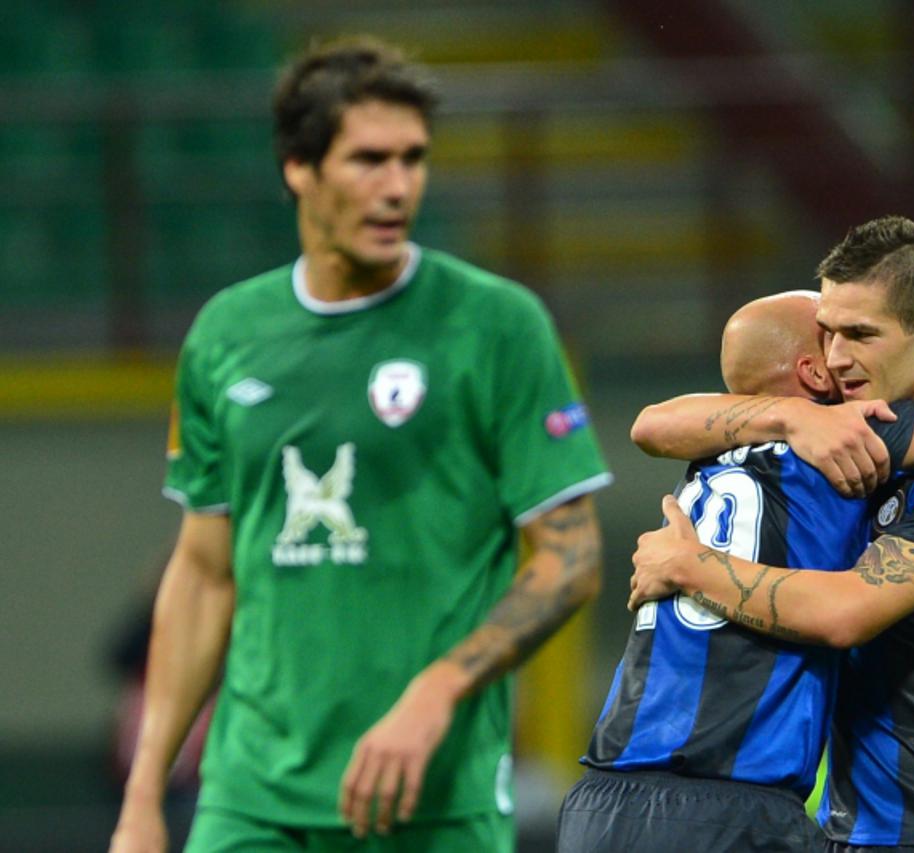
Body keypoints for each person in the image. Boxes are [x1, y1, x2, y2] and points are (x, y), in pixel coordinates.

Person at [110, 37, 611, 853]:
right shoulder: (224, 335)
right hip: (251, 800)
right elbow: (203, 572)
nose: (397, 187)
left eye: (413, 160)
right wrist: (142, 798)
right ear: (298, 169)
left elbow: (571, 555)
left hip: (433, 799)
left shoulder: (498, 325)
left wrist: (437, 691)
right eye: (368, 160)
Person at [630, 216, 914, 853]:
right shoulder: (839, 446)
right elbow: (654, 424)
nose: (837, 358)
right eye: (829, 333)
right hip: (853, 832)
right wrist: (789, 412)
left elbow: (844, 612)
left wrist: (689, 566)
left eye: (861, 335)